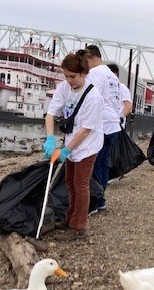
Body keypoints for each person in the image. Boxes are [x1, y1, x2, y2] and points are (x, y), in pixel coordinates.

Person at [43, 50, 104, 241]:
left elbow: (85, 130)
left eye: (73, 76)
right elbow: (51, 114)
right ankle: (70, 218)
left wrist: (67, 150)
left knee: (80, 184)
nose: (69, 80)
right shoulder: (64, 88)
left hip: (87, 146)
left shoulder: (93, 97)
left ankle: (79, 227)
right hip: (71, 141)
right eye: (66, 76)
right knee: (69, 181)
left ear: (84, 73)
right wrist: (50, 138)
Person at [85, 45, 121, 211]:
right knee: (103, 164)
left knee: (94, 165)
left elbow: (93, 98)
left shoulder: (95, 73)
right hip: (113, 124)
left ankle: (96, 201)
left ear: (90, 56)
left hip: (102, 124)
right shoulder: (111, 75)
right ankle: (101, 199)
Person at [107, 63, 133, 129]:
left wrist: (121, 118)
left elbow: (128, 105)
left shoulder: (121, 87)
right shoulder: (107, 88)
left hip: (116, 126)